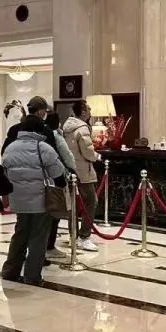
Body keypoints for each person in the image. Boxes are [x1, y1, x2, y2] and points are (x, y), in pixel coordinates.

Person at [1, 115, 67, 286]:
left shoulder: (10, 148)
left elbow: (5, 172)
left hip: (18, 200)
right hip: (40, 201)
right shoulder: (43, 148)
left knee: (19, 235)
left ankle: (10, 271)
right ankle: (32, 276)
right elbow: (59, 176)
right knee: (38, 237)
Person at [63, 100, 102, 253]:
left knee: (72, 205)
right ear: (83, 112)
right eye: (89, 109)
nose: (90, 112)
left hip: (70, 171)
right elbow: (87, 151)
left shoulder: (66, 127)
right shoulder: (82, 128)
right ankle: (84, 237)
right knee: (91, 202)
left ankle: (73, 235)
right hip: (83, 172)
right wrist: (96, 156)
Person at [44, 111, 76, 261]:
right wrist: (73, 169)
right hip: (57, 177)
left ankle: (46, 244)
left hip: (42, 180)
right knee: (56, 212)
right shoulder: (56, 136)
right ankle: (49, 246)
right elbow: (67, 156)